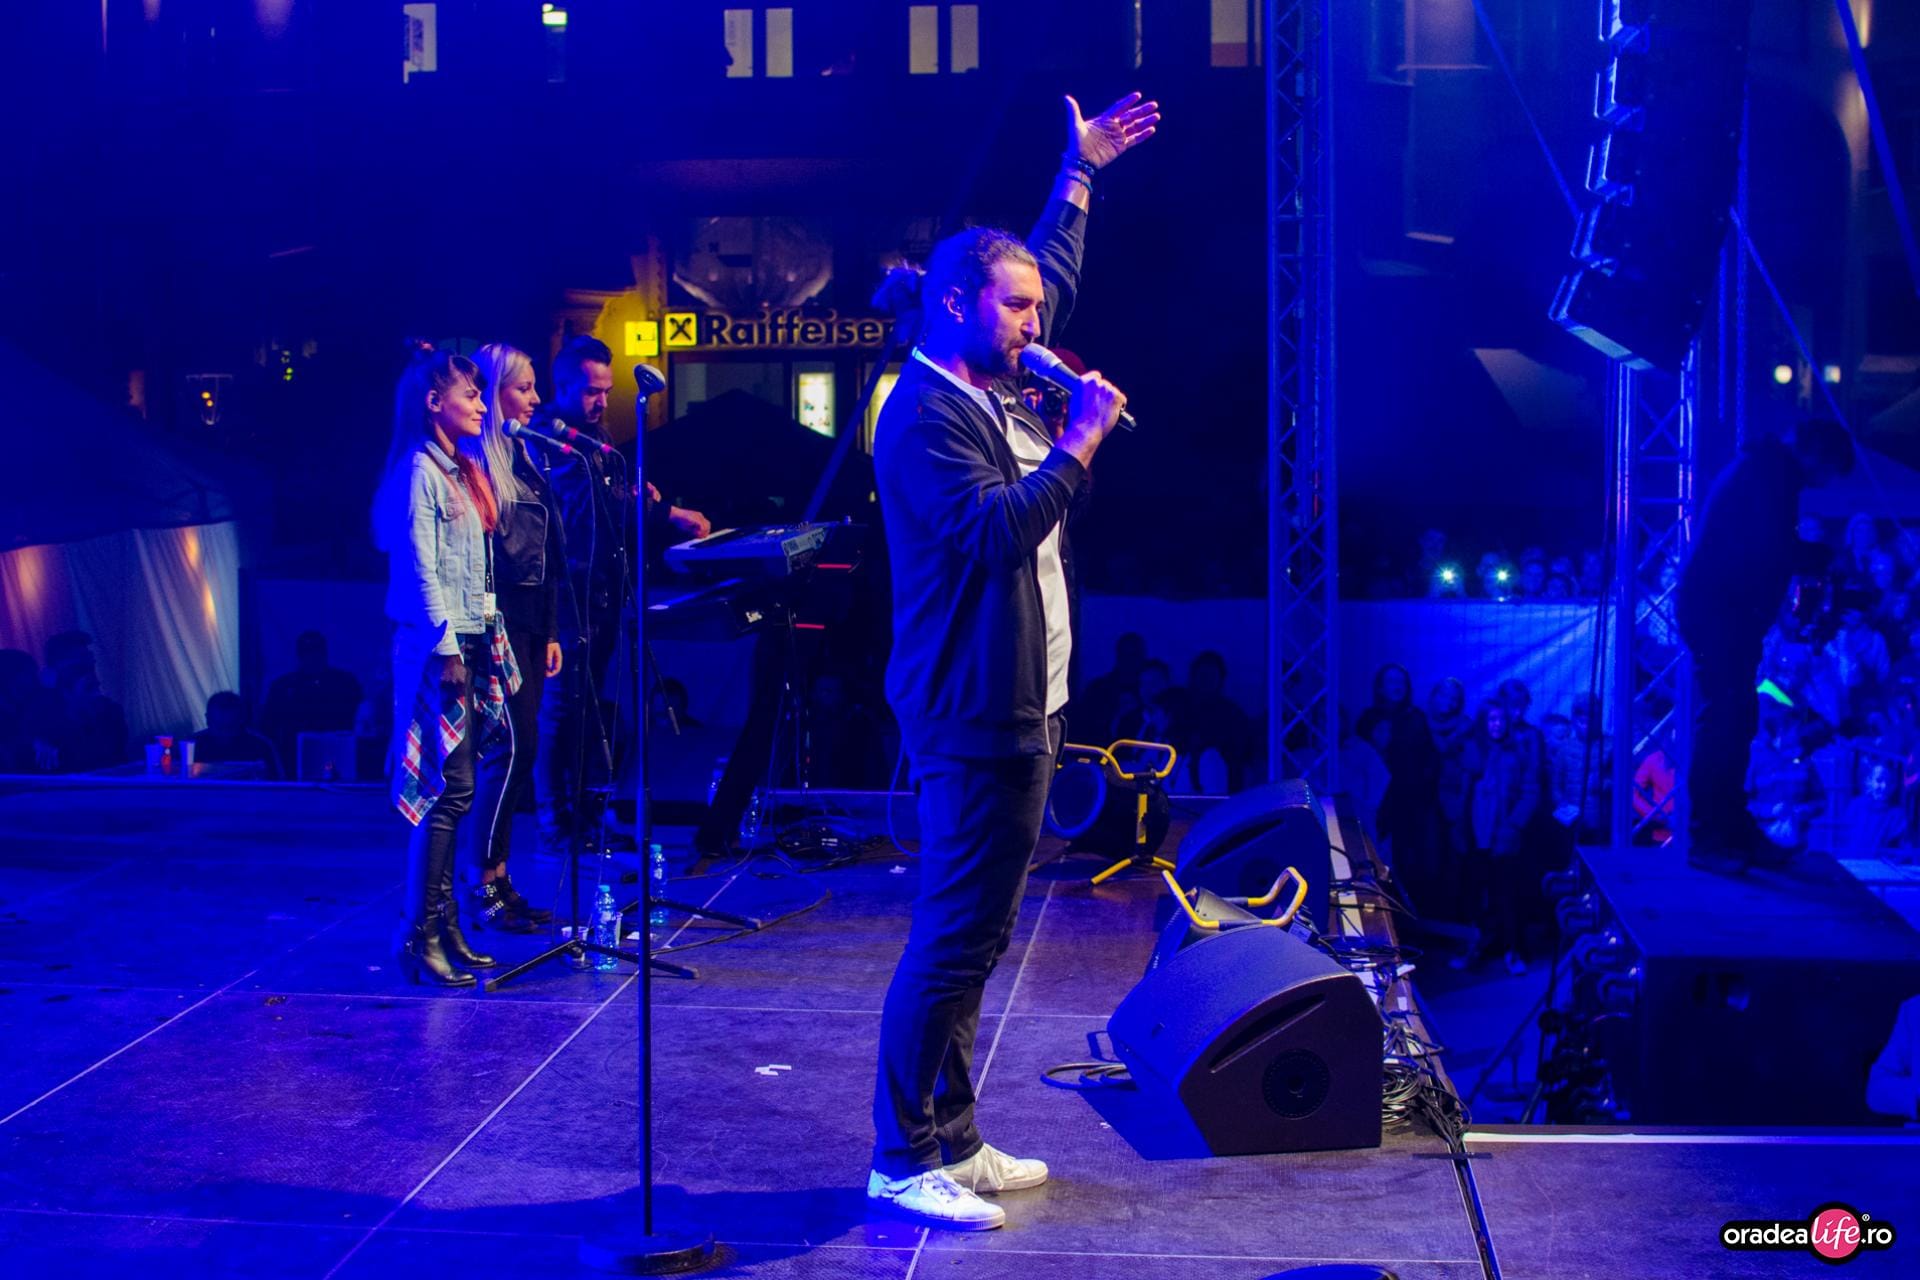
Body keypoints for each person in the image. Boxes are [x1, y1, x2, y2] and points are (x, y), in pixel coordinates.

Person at [867, 90, 1156, 1231]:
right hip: (970, 711)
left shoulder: (989, 375)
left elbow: (1052, 275)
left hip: (1024, 704)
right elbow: (993, 531)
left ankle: (955, 1135)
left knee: (982, 936)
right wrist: (1078, 443)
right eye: (1018, 308)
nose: (1041, 324)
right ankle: (901, 1154)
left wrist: (1078, 174)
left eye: (1038, 308)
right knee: (952, 936)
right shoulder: (922, 415)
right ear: (955, 306)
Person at [373, 345, 519, 989]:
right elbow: (419, 568)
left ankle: (445, 925)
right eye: (471, 394)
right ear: (434, 402)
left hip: (471, 637)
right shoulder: (419, 471)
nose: (482, 404)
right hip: (439, 647)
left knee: (459, 788)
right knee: (445, 789)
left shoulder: (459, 468)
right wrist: (448, 648)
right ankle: (419, 933)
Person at [534, 336, 708, 856]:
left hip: (602, 591)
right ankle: (554, 820)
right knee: (561, 709)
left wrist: (635, 495)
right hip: (568, 594)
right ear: (563, 386)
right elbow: (587, 505)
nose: (602, 401)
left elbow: (612, 498)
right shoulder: (549, 438)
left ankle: (588, 813)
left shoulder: (599, 437)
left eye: (607, 390)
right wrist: (661, 512)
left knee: (589, 708)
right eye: (591, 391)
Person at [1677, 418, 1855, 871]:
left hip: (1725, 612)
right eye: (1828, 470)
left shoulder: (1767, 469)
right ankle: (1709, 836)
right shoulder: (1770, 474)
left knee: (1737, 718)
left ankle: (1731, 829)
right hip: (1719, 612)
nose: (1823, 482)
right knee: (1724, 720)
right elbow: (1771, 549)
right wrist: (1825, 556)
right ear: (1815, 453)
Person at [461, 343, 564, 933]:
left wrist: (549, 629)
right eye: (524, 388)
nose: (535, 398)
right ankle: (482, 881)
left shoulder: (524, 456)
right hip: (497, 625)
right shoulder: (477, 466)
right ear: (496, 390)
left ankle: (499, 876)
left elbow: (546, 556)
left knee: (522, 749)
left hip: (529, 623)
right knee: (510, 748)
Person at [1462, 701, 1540, 975]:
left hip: (1505, 834)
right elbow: (1460, 790)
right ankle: (1478, 947)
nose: (1496, 725)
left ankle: (1513, 949)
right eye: (1491, 719)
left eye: (1501, 719)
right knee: (1478, 895)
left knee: (1508, 894)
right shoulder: (1473, 750)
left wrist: (1514, 826)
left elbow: (1530, 792)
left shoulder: (1518, 752)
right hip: (1475, 833)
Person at [261, 631, 364, 777]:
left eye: (316, 653)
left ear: (324, 654)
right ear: (299, 656)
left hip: (338, 752)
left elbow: (359, 721)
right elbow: (268, 726)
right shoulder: (283, 686)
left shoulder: (345, 683)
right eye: (307, 653)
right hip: (292, 756)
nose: (312, 658)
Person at [190, 692, 280, 777]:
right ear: (208, 719)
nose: (225, 734)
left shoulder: (261, 746)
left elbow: (278, 784)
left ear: (242, 720)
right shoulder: (191, 745)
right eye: (220, 727)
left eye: (230, 727)